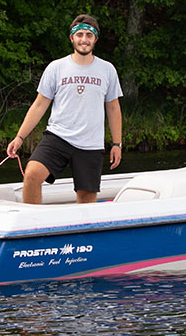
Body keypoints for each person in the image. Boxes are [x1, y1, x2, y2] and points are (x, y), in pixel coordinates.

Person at [7, 14, 123, 204]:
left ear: (95, 39)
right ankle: (32, 225)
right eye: (79, 35)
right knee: (32, 175)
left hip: (90, 143)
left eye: (88, 35)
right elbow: (39, 105)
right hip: (58, 137)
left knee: (86, 199)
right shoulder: (56, 67)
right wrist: (19, 138)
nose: (84, 40)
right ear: (72, 38)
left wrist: (117, 144)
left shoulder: (107, 69)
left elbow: (113, 108)